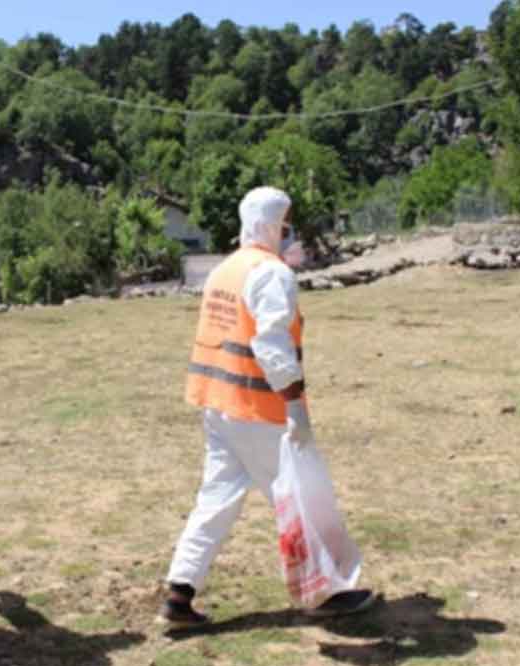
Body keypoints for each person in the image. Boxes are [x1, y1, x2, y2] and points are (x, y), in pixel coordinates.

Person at [161, 186, 376, 628]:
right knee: (303, 497)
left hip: (219, 406)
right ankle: (328, 590)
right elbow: (271, 343)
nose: (288, 231)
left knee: (216, 497)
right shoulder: (271, 273)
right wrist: (294, 401)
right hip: (259, 408)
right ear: (269, 224)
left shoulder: (227, 269)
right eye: (284, 223)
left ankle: (179, 590)